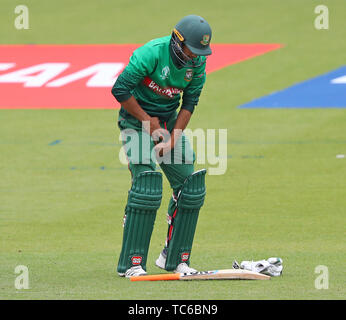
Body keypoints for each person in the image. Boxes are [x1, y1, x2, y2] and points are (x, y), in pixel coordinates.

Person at [111, 14, 212, 277]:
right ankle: (132, 264)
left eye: (200, 52)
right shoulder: (150, 54)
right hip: (135, 121)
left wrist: (174, 137)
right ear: (177, 42)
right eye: (191, 50)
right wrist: (147, 122)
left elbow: (190, 101)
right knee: (147, 184)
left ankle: (174, 257)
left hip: (167, 122)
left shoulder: (197, 64)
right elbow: (120, 90)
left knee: (190, 186)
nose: (194, 57)